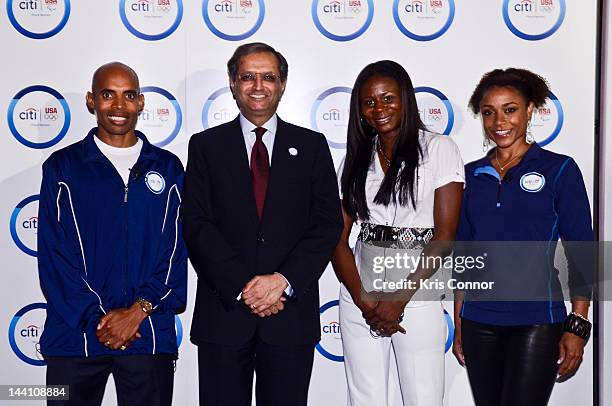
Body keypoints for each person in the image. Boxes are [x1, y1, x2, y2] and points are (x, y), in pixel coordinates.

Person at [182, 42, 343, 406]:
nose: (258, 86)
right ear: (233, 83)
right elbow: (196, 224)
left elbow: (326, 224)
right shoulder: (205, 146)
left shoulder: (312, 146)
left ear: (283, 84)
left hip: (289, 319)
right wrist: (245, 288)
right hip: (224, 317)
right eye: (248, 77)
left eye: (268, 77)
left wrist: (281, 283)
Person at [37, 62, 187, 406]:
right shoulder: (62, 167)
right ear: (92, 101)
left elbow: (176, 252)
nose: (118, 106)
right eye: (108, 95)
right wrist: (98, 320)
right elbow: (54, 258)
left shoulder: (167, 168)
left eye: (128, 95)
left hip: (147, 335)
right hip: (74, 338)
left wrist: (136, 312)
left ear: (141, 103)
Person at [452, 68, 593, 406]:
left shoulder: (559, 169)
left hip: (537, 321)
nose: (499, 121)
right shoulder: (469, 175)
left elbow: (582, 252)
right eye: (489, 112)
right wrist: (459, 325)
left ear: (530, 110)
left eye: (510, 109)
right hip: (478, 323)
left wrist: (577, 326)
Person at [331, 60, 464, 406]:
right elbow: (337, 238)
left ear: (405, 99)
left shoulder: (439, 148)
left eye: (388, 98)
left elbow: (445, 235)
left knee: (423, 396)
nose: (379, 109)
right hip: (361, 295)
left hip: (416, 293)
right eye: (369, 102)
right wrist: (364, 300)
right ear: (359, 110)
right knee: (365, 397)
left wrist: (397, 300)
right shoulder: (354, 160)